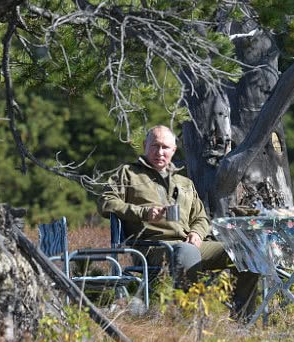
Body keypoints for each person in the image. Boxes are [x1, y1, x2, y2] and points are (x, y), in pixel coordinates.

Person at [99, 125, 259, 318]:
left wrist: (197, 233)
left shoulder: (184, 182)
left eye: (165, 147)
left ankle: (243, 319)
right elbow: (106, 202)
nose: (160, 152)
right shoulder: (128, 174)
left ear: (174, 150)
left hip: (188, 244)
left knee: (248, 252)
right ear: (144, 146)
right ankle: (186, 320)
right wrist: (143, 213)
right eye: (155, 146)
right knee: (187, 252)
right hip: (151, 247)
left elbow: (201, 217)